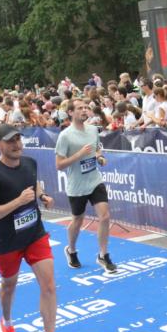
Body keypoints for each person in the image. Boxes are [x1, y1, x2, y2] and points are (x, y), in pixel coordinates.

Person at [0, 123, 68, 332]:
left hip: (34, 234)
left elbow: (33, 183)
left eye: (18, 139)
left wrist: (41, 196)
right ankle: (7, 323)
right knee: (9, 286)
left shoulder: (30, 163)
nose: (16, 144)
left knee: (49, 285)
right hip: (7, 241)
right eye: (10, 141)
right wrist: (17, 202)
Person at [55, 100, 117, 273]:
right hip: (76, 185)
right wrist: (79, 155)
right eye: (80, 108)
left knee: (104, 217)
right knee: (78, 220)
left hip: (94, 180)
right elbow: (59, 165)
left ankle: (103, 255)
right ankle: (71, 250)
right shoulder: (65, 136)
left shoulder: (92, 129)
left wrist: (100, 157)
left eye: (86, 107)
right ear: (70, 113)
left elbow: (97, 149)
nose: (84, 110)